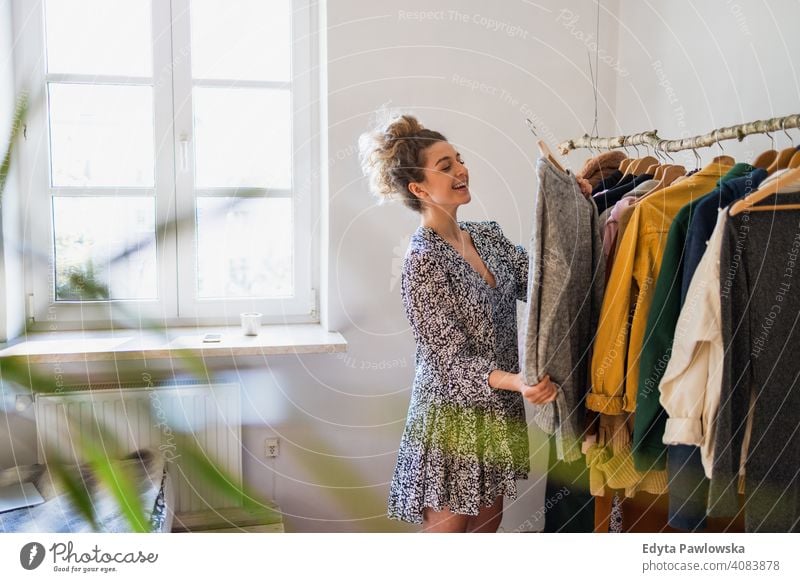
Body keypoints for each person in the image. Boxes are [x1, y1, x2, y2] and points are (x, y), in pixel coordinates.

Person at [359, 113, 558, 533]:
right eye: (445, 166)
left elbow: (543, 284)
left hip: (495, 414)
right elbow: (448, 361)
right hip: (450, 421)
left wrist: (576, 207)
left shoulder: (487, 236)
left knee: (487, 533)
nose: (461, 170)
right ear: (418, 188)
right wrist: (519, 381)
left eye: (459, 160)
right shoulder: (422, 262)